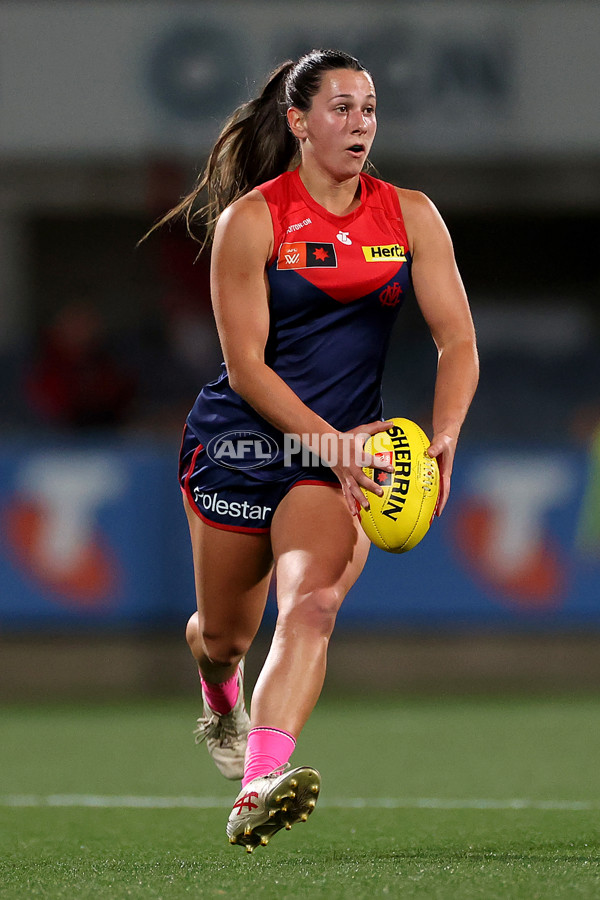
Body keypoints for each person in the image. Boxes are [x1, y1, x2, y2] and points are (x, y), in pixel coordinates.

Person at [150, 49, 479, 852]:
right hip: (239, 443)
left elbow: (458, 339)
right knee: (225, 633)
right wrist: (328, 443)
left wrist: (441, 437)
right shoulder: (254, 220)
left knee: (314, 603)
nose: (360, 123)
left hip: (339, 461)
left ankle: (258, 784)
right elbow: (245, 368)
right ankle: (217, 687)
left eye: (369, 108)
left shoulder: (409, 215)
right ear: (298, 121)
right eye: (341, 108)